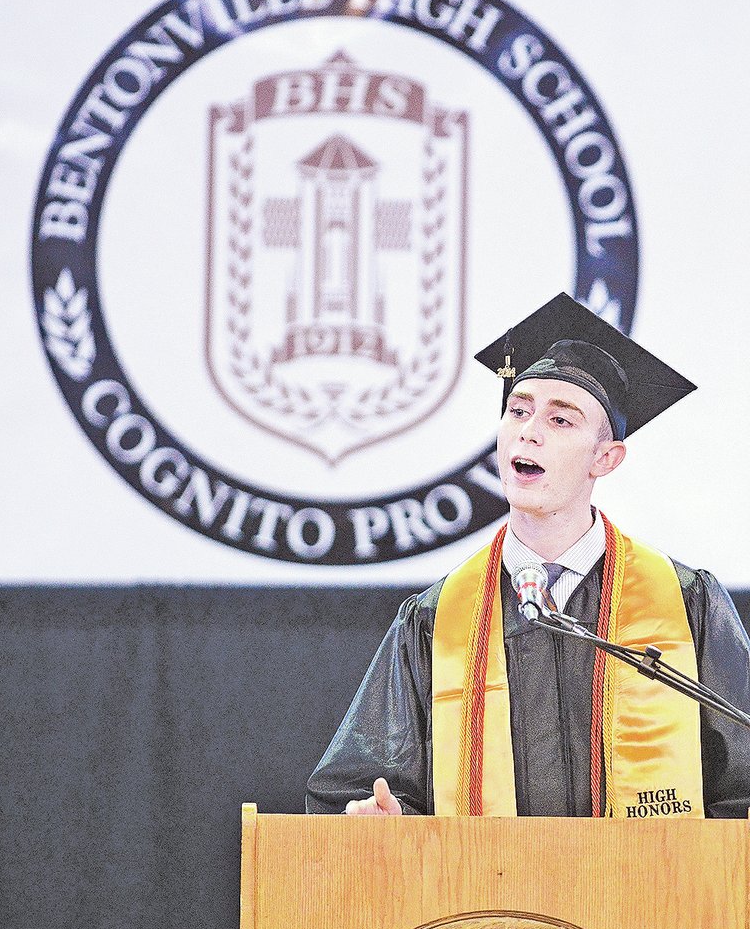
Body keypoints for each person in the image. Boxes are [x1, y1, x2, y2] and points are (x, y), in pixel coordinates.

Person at [306, 293, 750, 819]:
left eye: (561, 421)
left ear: (605, 459)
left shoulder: (683, 604)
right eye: (518, 411)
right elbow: (358, 788)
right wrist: (380, 819)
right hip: (489, 900)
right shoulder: (435, 619)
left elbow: (741, 788)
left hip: (649, 896)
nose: (529, 430)